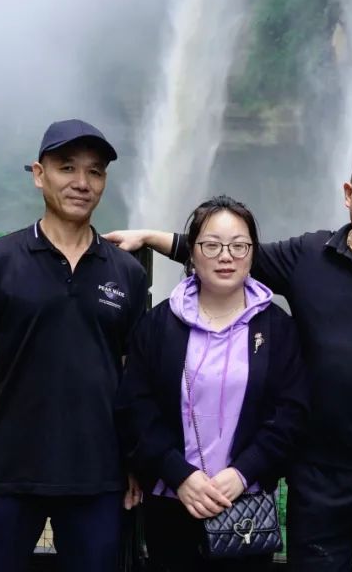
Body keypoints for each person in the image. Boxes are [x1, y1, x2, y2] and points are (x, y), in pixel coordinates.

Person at [107, 149, 352, 572]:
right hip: (319, 473)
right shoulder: (309, 255)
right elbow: (225, 252)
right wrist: (149, 236)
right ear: (349, 194)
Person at [0, 119, 147, 571]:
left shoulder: (127, 273)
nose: (82, 182)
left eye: (95, 171)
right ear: (39, 174)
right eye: (67, 167)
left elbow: (133, 373)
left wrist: (135, 460)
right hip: (8, 470)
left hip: (98, 475)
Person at [116, 195, 308, 572]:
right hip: (172, 500)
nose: (226, 256)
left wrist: (243, 473)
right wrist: (179, 475)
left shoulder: (278, 329)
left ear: (253, 254)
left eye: (239, 246)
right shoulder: (158, 325)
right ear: (192, 253)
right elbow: (135, 407)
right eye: (212, 245)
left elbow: (292, 413)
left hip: (246, 506)